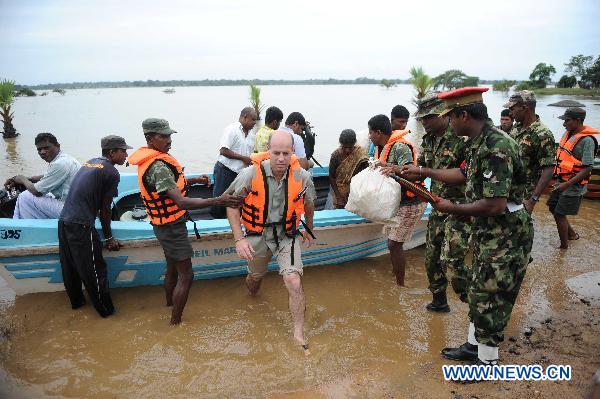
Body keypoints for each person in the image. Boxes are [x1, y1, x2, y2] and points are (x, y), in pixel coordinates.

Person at [401, 87, 533, 377]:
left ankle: (486, 363)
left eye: (451, 115)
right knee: (478, 289)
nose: (449, 121)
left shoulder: (496, 146)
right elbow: (462, 174)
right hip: (489, 230)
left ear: (463, 115)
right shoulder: (477, 142)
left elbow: (495, 205)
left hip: (506, 232)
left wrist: (452, 208)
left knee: (491, 294)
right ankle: (474, 346)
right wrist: (425, 172)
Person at [128, 118, 243, 324]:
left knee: (172, 268)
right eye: (163, 136)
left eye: (170, 135)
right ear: (149, 138)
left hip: (162, 225)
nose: (169, 140)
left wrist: (194, 180)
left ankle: (170, 305)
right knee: (186, 275)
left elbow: (167, 186)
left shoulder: (153, 162)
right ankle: (175, 323)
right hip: (171, 228)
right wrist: (219, 199)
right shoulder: (158, 166)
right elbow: (180, 202)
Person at [226, 130, 316, 351]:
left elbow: (309, 204)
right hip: (258, 236)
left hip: (287, 235)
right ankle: (253, 292)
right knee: (254, 280)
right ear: (269, 152)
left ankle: (298, 332)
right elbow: (231, 205)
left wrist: (309, 229)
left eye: (286, 153)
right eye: (276, 153)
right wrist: (239, 239)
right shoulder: (249, 174)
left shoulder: (302, 176)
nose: (281, 159)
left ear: (292, 152)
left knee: (293, 281)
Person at [58, 135, 131, 317]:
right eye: (123, 151)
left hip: (64, 221)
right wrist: (109, 237)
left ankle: (77, 304)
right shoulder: (111, 172)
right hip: (81, 225)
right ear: (112, 152)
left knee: (71, 268)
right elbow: (104, 209)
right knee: (95, 270)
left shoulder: (91, 162)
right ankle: (106, 312)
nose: (126, 155)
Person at [413, 93, 471, 313]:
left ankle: (478, 309)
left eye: (428, 118)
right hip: (437, 206)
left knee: (455, 262)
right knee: (432, 259)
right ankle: (439, 302)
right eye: (422, 119)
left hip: (461, 209)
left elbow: (467, 174)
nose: (424, 122)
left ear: (443, 115)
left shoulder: (462, 138)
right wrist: (397, 172)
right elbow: (421, 172)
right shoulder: (428, 139)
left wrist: (422, 171)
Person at [369, 114, 427, 286]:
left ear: (378, 133)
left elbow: (412, 173)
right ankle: (396, 274)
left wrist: (392, 169)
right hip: (396, 203)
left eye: (371, 133)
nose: (369, 136)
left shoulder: (400, 147)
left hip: (412, 202)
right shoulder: (381, 147)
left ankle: (400, 285)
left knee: (394, 244)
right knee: (391, 241)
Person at [549, 107, 598, 249]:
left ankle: (563, 248)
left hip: (573, 185)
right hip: (561, 181)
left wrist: (566, 184)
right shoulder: (569, 134)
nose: (564, 124)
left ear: (578, 120)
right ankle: (571, 234)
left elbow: (588, 167)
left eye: (567, 120)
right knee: (553, 208)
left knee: (559, 213)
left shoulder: (587, 140)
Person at [5, 133, 80, 219]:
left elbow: (37, 191)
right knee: (41, 191)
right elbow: (47, 176)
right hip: (76, 206)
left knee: (25, 196)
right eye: (39, 149)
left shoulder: (59, 164)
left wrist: (22, 179)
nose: (42, 152)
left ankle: (27, 227)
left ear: (57, 146)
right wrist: (26, 179)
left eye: (46, 148)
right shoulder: (65, 158)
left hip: (72, 212)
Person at [505, 91, 556, 213]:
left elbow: (549, 168)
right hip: (508, 189)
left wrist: (533, 200)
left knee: (520, 228)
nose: (510, 113)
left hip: (524, 195)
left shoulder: (542, 134)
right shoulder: (516, 129)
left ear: (524, 108)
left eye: (512, 108)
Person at [210, 107, 258, 218]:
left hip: (240, 174)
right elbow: (223, 150)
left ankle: (231, 222)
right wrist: (243, 158)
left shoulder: (252, 136)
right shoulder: (232, 129)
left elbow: (251, 154)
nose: (254, 123)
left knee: (236, 201)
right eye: (253, 119)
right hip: (225, 170)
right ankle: (216, 222)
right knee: (220, 200)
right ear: (244, 117)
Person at [328, 129, 369, 208]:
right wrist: (338, 197)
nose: (347, 150)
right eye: (345, 147)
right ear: (341, 144)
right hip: (340, 191)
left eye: (350, 147)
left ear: (354, 144)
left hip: (356, 191)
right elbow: (331, 176)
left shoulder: (360, 154)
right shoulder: (335, 156)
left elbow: (365, 174)